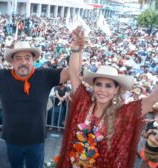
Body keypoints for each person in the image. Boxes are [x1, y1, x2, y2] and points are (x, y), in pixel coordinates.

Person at [56, 27, 158, 168]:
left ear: (116, 89)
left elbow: (152, 99)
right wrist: (76, 48)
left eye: (109, 86)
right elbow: (73, 73)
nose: (102, 90)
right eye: (99, 84)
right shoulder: (83, 103)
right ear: (94, 86)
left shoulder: (123, 113)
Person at [0, 40, 71, 168]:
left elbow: (71, 72)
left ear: (34, 59)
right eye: (18, 58)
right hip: (10, 141)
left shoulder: (46, 75)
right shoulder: (1, 76)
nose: (23, 62)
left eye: (27, 58)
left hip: (37, 141)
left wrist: (76, 50)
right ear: (12, 61)